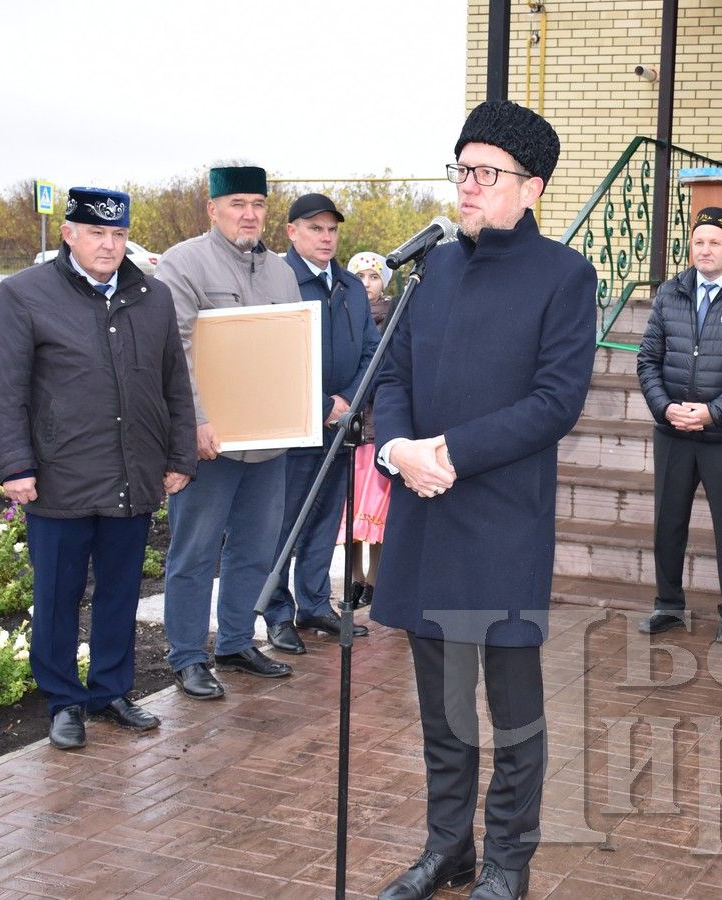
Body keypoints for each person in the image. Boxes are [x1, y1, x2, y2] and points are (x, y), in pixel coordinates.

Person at [370, 100, 596, 900]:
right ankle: (447, 848)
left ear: (530, 187)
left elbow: (555, 401)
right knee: (439, 711)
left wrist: (450, 453)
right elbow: (389, 375)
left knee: (511, 713)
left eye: (484, 172)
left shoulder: (564, 276)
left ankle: (507, 859)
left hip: (500, 523)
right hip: (423, 516)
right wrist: (398, 450)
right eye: (460, 168)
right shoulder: (431, 268)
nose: (466, 186)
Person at [0, 187, 197, 749]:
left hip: (133, 474)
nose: (108, 245)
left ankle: (109, 691)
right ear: (70, 235)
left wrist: (177, 458)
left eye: (118, 234)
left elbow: (174, 384)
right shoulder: (24, 295)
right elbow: (3, 391)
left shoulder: (152, 297)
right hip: (59, 475)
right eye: (97, 234)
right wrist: (14, 464)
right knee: (57, 593)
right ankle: (62, 701)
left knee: (121, 590)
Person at [157, 165, 303, 700]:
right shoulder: (184, 264)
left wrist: (297, 412)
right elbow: (176, 353)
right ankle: (189, 655)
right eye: (237, 203)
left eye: (258, 204)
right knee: (194, 553)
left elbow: (290, 349)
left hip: (268, 442)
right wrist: (193, 422)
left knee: (255, 548)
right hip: (209, 444)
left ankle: (237, 642)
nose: (249, 214)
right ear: (212, 208)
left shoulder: (282, 273)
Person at [635, 207, 722, 643]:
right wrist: (665, 408)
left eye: (715, 242)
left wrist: (714, 411)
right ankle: (668, 604)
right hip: (674, 433)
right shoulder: (669, 293)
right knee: (668, 521)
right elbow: (647, 360)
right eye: (699, 241)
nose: (705, 249)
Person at [261, 195, 379, 655]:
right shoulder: (279, 281)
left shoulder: (349, 286)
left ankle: (313, 604)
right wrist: (315, 404)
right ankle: (276, 612)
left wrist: (347, 400)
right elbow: (270, 353)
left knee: (325, 518)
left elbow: (373, 349)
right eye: (315, 229)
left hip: (339, 426)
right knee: (284, 523)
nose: (326, 237)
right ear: (291, 232)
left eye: (331, 230)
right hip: (293, 426)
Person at [339, 251, 393, 608]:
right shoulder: (347, 317)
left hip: (377, 431)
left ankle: (375, 580)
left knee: (376, 514)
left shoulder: (393, 320)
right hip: (351, 432)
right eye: (360, 278)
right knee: (351, 515)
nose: (367, 284)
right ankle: (354, 579)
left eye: (374, 277)